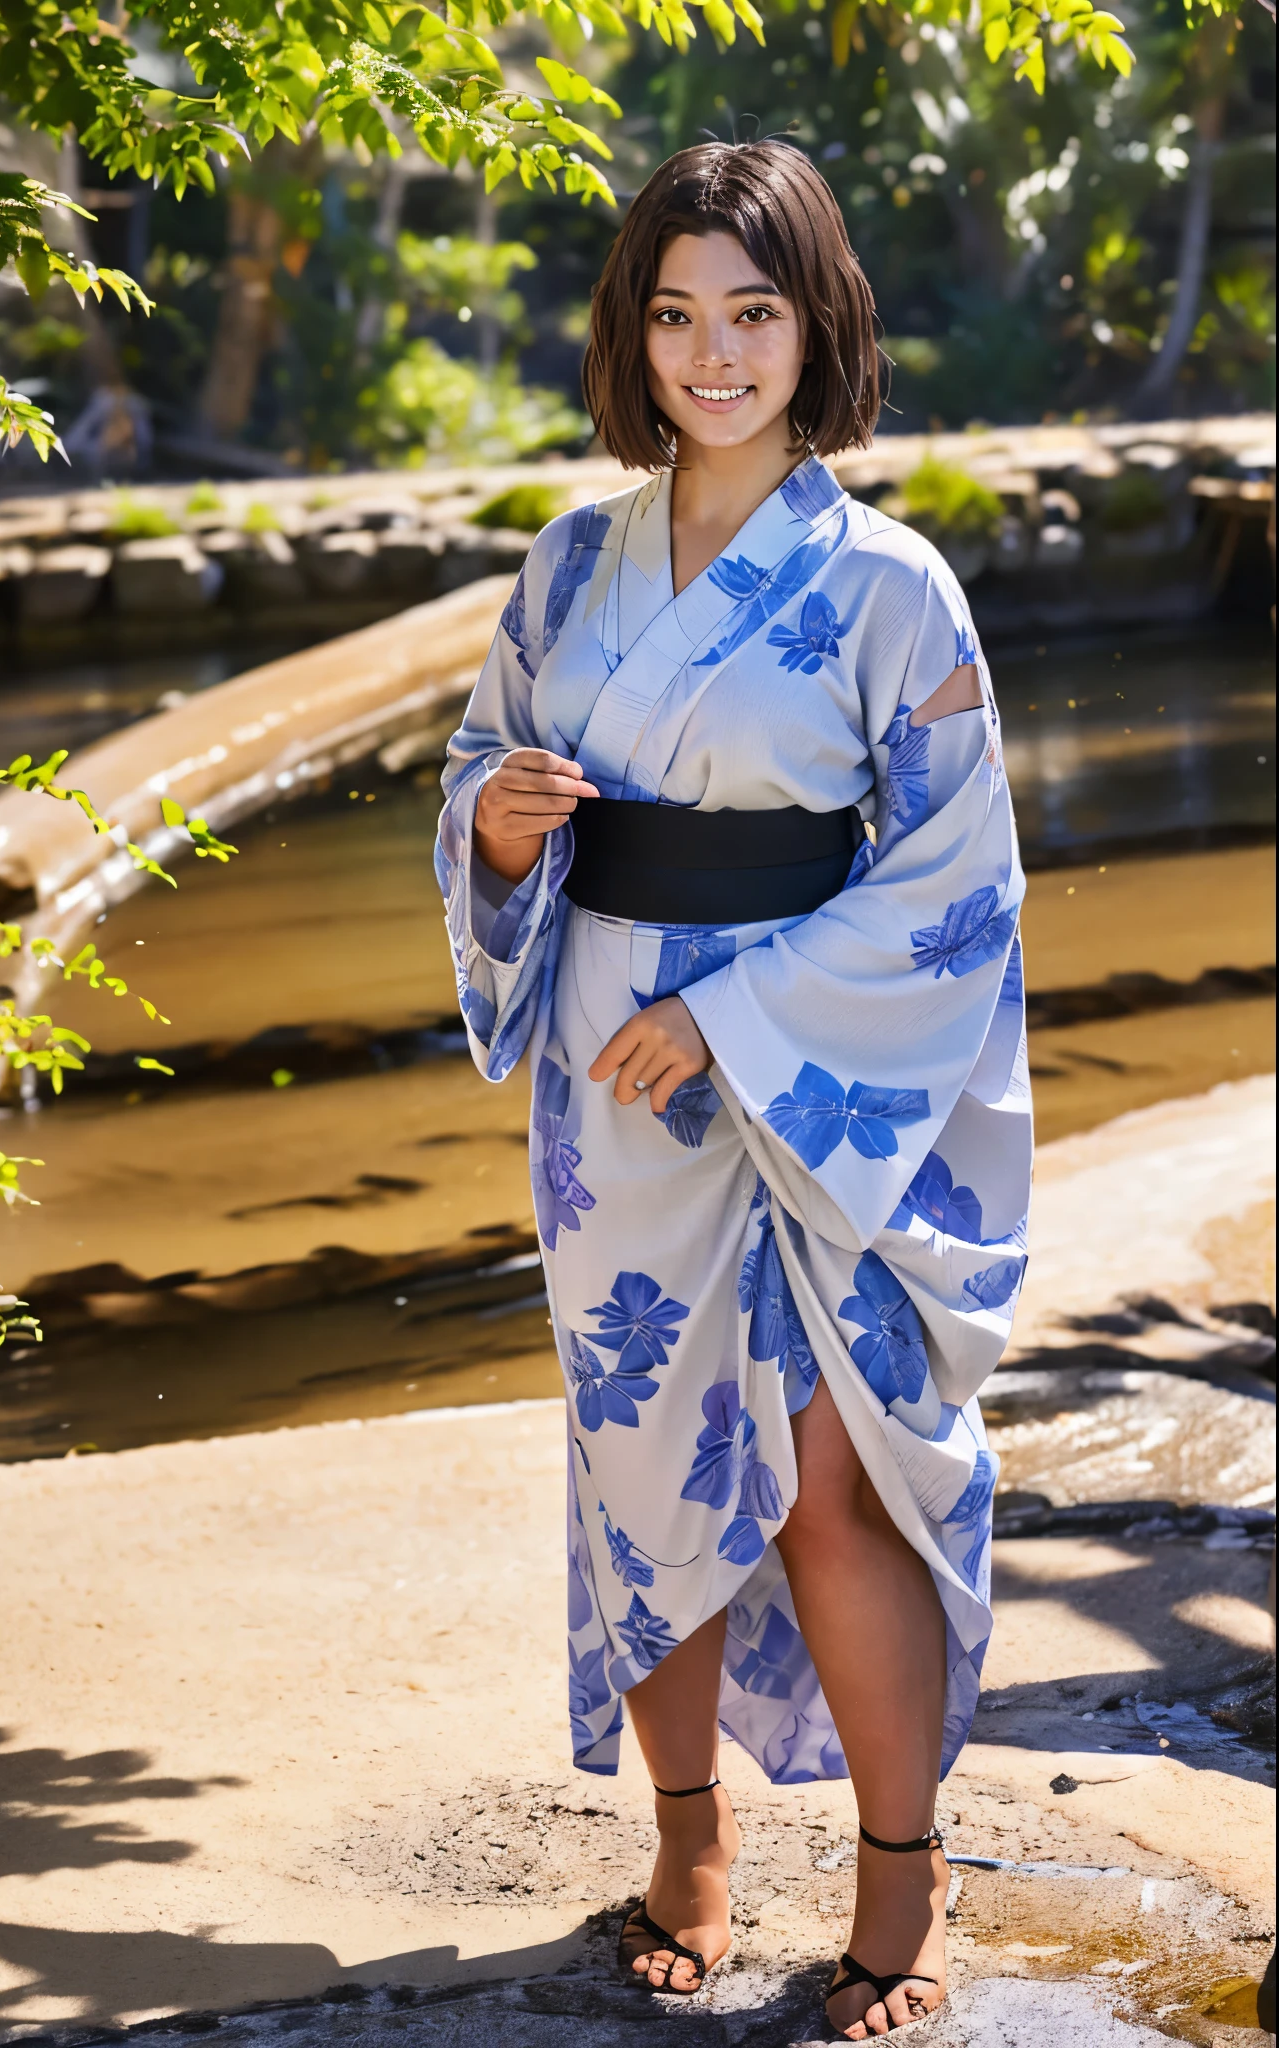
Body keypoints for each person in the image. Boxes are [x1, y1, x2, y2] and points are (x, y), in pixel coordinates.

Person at [435, 140, 1030, 2040]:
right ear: (635, 334)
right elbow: (482, 772)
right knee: (645, 1473)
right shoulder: (570, 562)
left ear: (816, 325)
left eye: (754, 313)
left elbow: (958, 879)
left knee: (828, 1488)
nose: (714, 352)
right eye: (678, 313)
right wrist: (505, 831)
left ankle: (900, 1878)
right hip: (615, 1080)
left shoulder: (893, 585)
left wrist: (743, 1015)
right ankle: (687, 1845)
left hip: (814, 1078)